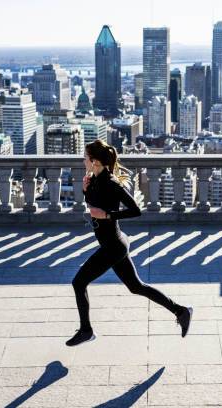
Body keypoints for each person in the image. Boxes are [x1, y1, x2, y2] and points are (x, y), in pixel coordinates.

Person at [66, 140, 193, 347]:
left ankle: (86, 331)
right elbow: (94, 206)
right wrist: (85, 190)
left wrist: (108, 214)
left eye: (85, 157)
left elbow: (135, 210)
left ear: (95, 161)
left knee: (78, 283)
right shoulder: (95, 179)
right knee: (136, 287)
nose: (83, 160)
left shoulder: (111, 183)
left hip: (113, 246)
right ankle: (181, 311)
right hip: (114, 244)